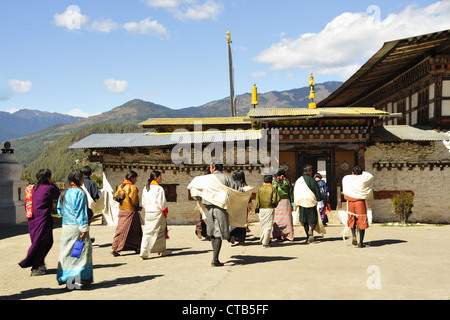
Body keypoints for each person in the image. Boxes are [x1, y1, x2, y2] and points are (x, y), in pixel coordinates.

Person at [187, 162, 251, 267]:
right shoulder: (226, 178)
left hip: (208, 207)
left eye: (210, 167)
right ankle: (215, 259)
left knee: (212, 232)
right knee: (219, 233)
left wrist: (201, 198)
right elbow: (238, 190)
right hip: (220, 207)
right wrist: (247, 190)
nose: (210, 169)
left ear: (214, 167)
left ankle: (215, 258)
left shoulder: (206, 179)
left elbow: (194, 191)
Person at [19, 169, 60, 276]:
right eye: (50, 177)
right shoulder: (50, 188)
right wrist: (53, 185)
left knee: (37, 242)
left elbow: (26, 204)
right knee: (44, 242)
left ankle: (40, 264)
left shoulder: (30, 189)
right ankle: (36, 266)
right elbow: (59, 195)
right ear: (47, 178)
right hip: (43, 219)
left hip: (32, 220)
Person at [56, 169, 93, 288]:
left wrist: (68, 215)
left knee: (67, 253)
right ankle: (83, 277)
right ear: (77, 179)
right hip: (77, 228)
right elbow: (81, 213)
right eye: (82, 178)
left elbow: (59, 210)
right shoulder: (80, 193)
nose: (83, 180)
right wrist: (84, 229)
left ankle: (67, 279)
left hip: (66, 227)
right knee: (80, 253)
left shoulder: (64, 192)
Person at [140, 171, 171, 259]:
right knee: (150, 233)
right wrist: (165, 211)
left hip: (148, 212)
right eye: (160, 177)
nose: (161, 178)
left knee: (161, 230)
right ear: (155, 178)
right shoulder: (159, 188)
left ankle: (161, 249)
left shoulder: (145, 188)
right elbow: (162, 202)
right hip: (157, 212)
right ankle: (144, 252)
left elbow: (143, 202)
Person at [111, 170, 143, 256]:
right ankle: (116, 248)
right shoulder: (132, 188)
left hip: (122, 211)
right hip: (131, 211)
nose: (136, 180)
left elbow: (115, 197)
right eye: (135, 178)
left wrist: (120, 197)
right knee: (132, 230)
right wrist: (138, 207)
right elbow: (134, 201)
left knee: (122, 229)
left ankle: (136, 247)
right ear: (131, 178)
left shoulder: (121, 186)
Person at [342, 166, 374, 248]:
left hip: (351, 203)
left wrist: (354, 174)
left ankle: (354, 236)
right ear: (362, 173)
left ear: (352, 173)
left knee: (352, 219)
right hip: (360, 202)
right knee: (361, 221)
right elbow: (370, 175)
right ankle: (361, 243)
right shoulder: (363, 179)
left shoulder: (347, 179)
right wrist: (361, 174)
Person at [294, 165, 325, 243]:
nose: (311, 172)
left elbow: (295, 191)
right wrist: (319, 200)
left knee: (304, 220)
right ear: (308, 171)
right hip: (311, 201)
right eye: (311, 171)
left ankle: (308, 237)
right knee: (313, 219)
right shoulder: (312, 180)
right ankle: (311, 230)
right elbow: (317, 191)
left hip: (301, 202)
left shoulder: (298, 180)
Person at [255, 175, 280, 248]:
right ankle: (265, 242)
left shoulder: (260, 189)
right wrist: (275, 204)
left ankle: (263, 239)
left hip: (261, 209)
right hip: (269, 208)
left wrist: (257, 208)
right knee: (268, 226)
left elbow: (257, 200)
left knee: (263, 225)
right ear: (271, 180)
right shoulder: (273, 189)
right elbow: (276, 199)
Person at [271, 169, 295, 242]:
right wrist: (292, 203)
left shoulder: (274, 182)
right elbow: (291, 193)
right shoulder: (287, 182)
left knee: (277, 219)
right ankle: (288, 235)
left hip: (277, 202)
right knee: (287, 219)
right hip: (286, 202)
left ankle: (277, 234)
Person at [229, 171, 251, 246]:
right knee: (242, 223)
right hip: (243, 208)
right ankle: (241, 240)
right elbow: (249, 198)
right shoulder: (244, 186)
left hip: (234, 207)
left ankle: (233, 235)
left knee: (233, 222)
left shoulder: (232, 185)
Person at [82, 166, 100, 243]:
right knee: (87, 224)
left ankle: (86, 239)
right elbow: (96, 196)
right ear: (91, 174)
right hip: (89, 207)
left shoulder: (80, 182)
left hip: (80, 207)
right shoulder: (92, 183)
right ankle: (85, 240)